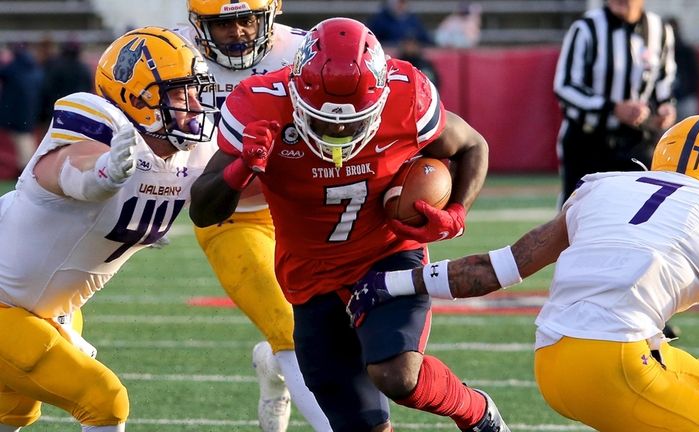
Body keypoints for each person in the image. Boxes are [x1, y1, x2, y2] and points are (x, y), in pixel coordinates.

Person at [348, 115, 699, 431]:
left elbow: (501, 266)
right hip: (615, 364)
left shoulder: (603, 186)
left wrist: (392, 282)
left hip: (552, 361)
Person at [190, 17, 507, 432]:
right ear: (296, 93)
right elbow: (202, 209)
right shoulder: (260, 103)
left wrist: (458, 214)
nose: (338, 131)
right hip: (308, 275)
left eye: (353, 120)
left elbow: (471, 144)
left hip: (386, 255)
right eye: (323, 120)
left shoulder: (406, 92)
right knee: (359, 424)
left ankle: (476, 412)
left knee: (397, 374)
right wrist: (241, 170)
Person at [0, 27, 219, 432]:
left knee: (14, 412)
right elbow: (70, 169)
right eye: (178, 93)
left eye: (194, 91)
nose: (193, 105)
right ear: (138, 99)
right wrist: (104, 173)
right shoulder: (98, 129)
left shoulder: (192, 154)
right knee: (104, 400)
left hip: (52, 310)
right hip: (8, 307)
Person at [178, 1, 331, 430]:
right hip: (231, 216)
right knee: (289, 328)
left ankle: (272, 364)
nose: (238, 32)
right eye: (223, 23)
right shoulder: (173, 53)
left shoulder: (306, 51)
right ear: (198, 22)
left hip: (307, 209)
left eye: (247, 18)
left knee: (341, 332)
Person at [553, 0, 677, 207]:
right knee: (574, 217)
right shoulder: (585, 28)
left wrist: (665, 106)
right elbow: (564, 86)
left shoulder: (659, 30)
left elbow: (664, 80)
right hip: (588, 139)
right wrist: (612, 108)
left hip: (635, 141)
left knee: (633, 214)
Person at [0, 44, 44, 174]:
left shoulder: (13, 69)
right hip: (29, 112)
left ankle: (26, 170)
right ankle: (27, 169)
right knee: (26, 141)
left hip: (16, 114)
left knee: (24, 142)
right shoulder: (35, 70)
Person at [38, 41, 94, 130]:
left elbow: (46, 90)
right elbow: (88, 91)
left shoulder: (54, 66)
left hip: (56, 113)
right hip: (78, 114)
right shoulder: (84, 69)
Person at [666, 17, 699, 121]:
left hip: (685, 97)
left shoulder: (687, 51)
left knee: (689, 123)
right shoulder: (660, 50)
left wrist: (684, 92)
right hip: (666, 99)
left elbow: (695, 76)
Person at [367, 0, 432, 47]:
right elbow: (370, 40)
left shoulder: (413, 20)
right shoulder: (379, 20)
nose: (400, 5)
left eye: (403, 2)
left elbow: (426, 40)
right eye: (399, 2)